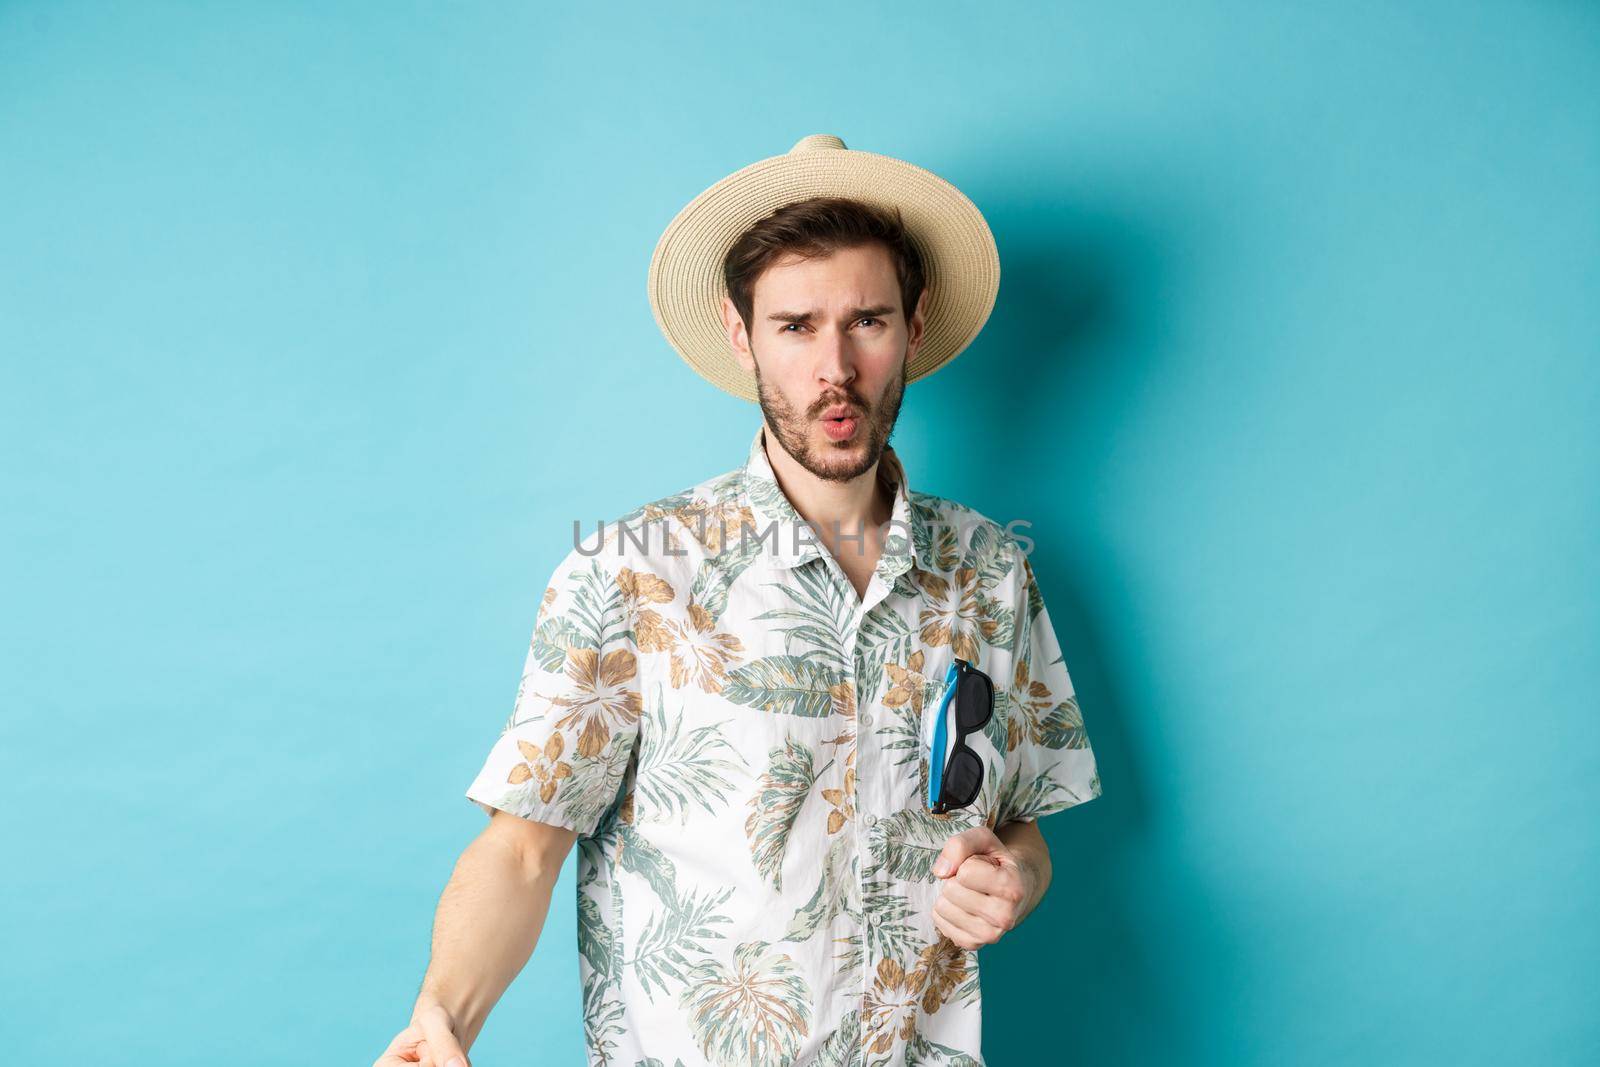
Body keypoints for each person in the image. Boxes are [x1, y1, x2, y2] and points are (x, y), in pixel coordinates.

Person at [375, 134, 1102, 1067]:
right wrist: (444, 1015)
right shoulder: (632, 573)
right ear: (741, 334)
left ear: (914, 329)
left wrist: (1014, 879)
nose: (834, 368)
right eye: (796, 325)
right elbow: (522, 850)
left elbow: (1021, 822)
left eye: (867, 321)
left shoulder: (989, 570)